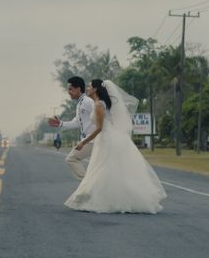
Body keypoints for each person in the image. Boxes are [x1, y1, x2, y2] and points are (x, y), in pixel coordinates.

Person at [64, 79, 167, 214]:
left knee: (103, 169)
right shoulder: (100, 103)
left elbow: (99, 128)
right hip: (106, 138)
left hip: (106, 139)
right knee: (108, 170)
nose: (87, 89)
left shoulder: (99, 105)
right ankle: (100, 195)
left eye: (89, 87)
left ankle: (90, 193)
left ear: (95, 89)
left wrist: (83, 142)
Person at [48, 76, 95, 180]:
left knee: (71, 159)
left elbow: (101, 119)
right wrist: (60, 123)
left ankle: (87, 185)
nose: (68, 92)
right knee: (97, 169)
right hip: (88, 140)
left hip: (93, 140)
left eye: (70, 89)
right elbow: (77, 123)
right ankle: (92, 186)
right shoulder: (80, 103)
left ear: (78, 89)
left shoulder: (88, 102)